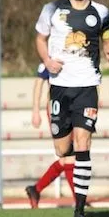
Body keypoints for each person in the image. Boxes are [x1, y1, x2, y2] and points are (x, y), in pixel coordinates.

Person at [35, 0, 109, 217]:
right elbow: (39, 39)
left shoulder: (101, 11)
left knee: (83, 144)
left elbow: (108, 36)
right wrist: (47, 61)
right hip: (59, 87)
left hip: (87, 87)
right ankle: (73, 152)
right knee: (62, 149)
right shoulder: (52, 9)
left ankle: (79, 210)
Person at [25, 63, 77, 208]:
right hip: (57, 110)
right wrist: (36, 111)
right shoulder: (50, 59)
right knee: (69, 156)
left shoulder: (74, 55)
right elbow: (39, 83)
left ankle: (35, 189)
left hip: (75, 107)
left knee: (67, 159)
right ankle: (79, 202)